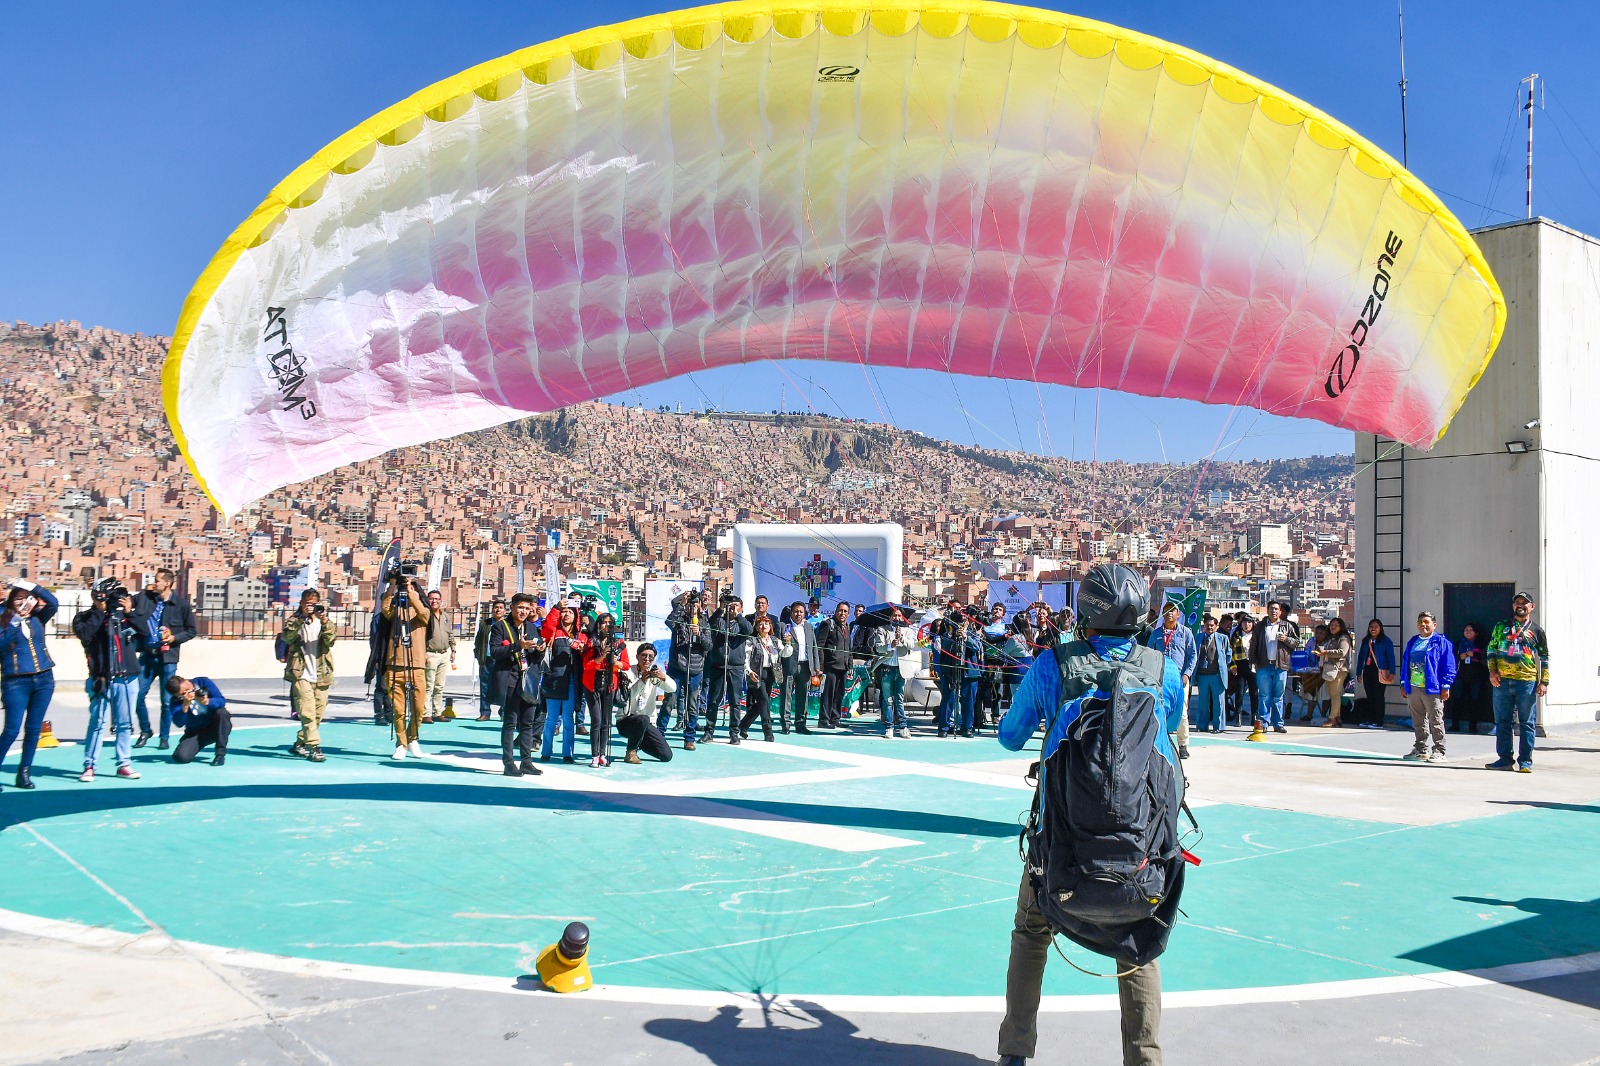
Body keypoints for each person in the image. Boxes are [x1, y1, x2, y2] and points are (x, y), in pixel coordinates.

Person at [995, 563, 1183, 1066]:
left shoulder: (1052, 665)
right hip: (1142, 850)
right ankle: (1145, 1059)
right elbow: (1172, 736)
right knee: (1137, 942)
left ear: (1085, 613)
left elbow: (1010, 736)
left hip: (1059, 846)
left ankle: (1014, 1053)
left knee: (1031, 933)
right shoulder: (1163, 671)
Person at [73, 579, 143, 782]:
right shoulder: (84, 617)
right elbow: (85, 633)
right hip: (101, 678)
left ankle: (124, 763)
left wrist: (130, 612)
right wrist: (100, 610)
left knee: (125, 723)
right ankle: (89, 765)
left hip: (127, 676)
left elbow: (146, 633)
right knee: (97, 723)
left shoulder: (123, 616)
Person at [0, 578, 59, 790]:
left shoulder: (37, 618)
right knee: (11, 729)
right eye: (18, 598)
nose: (22, 602)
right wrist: (15, 620)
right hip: (16, 681)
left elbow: (53, 602)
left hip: (44, 678)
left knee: (33, 729)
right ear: (11, 601)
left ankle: (24, 772)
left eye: (26, 598)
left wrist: (32, 586)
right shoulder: (4, 618)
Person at [131, 568, 197, 750]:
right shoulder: (146, 598)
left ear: (167, 583)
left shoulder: (181, 605)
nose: (155, 582)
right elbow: (129, 603)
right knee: (136, 695)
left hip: (167, 659)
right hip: (147, 656)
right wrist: (144, 592)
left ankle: (164, 737)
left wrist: (174, 638)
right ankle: (145, 731)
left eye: (158, 580)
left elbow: (191, 630)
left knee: (167, 700)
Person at [1485, 591, 1550, 772]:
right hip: (1502, 681)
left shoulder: (1536, 630)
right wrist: (1492, 671)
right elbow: (1491, 650)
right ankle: (1505, 759)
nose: (1520, 605)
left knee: (1527, 722)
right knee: (1502, 721)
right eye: (1517, 602)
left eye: (1525, 603)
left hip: (1526, 682)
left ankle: (1525, 761)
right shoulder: (1501, 626)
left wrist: (1544, 681)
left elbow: (1544, 656)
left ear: (1532, 607)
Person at [280, 588, 335, 763]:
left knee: (318, 714)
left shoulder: (324, 621)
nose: (311, 606)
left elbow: (331, 640)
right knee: (307, 712)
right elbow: (287, 637)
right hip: (301, 672)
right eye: (308, 603)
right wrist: (301, 617)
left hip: (321, 673)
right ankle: (314, 747)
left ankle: (299, 743)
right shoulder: (295, 621)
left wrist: (323, 619)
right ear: (302, 603)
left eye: (314, 603)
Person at [381, 573, 431, 760]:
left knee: (418, 708)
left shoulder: (422, 611)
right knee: (399, 709)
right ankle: (401, 743)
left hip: (416, 666)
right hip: (394, 665)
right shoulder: (396, 610)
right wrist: (393, 585)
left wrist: (411, 590)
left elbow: (424, 612)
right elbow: (385, 608)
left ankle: (413, 738)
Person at [494, 593, 545, 776]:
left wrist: (540, 650)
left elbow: (536, 658)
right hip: (510, 680)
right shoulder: (500, 627)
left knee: (528, 723)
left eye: (527, 608)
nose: (524, 611)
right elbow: (495, 652)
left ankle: (526, 762)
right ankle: (508, 763)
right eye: (521, 607)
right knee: (510, 723)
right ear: (513, 607)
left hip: (528, 681)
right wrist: (518, 646)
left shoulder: (531, 627)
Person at [1399, 611, 1456, 763]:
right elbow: (1406, 663)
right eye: (1420, 622)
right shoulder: (1413, 642)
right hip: (1414, 688)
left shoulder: (1441, 642)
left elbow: (1449, 665)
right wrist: (1403, 683)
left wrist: (1446, 685)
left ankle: (1439, 750)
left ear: (1434, 625)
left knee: (1435, 720)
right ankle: (1420, 749)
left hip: (1433, 688)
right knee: (1418, 721)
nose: (1423, 625)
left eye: (1426, 622)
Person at [1144, 603, 1196, 757]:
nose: (1169, 613)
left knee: (1182, 712)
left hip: (1180, 679)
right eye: (1166, 611)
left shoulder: (1186, 633)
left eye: (1172, 610)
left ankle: (1183, 745)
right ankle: (1160, 741)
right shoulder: (1156, 633)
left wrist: (1186, 674)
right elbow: (1148, 653)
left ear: (1178, 614)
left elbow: (1193, 655)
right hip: (1160, 677)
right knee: (1158, 708)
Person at [1247, 601, 1301, 741]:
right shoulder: (1260, 626)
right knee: (1264, 695)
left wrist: (1286, 639)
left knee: (1278, 695)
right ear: (1267, 611)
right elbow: (1253, 645)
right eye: (1271, 609)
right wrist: (1252, 661)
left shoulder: (1287, 626)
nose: (1274, 611)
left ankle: (1278, 723)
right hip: (1263, 665)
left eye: (1276, 609)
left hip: (1280, 666)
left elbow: (1296, 642)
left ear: (1280, 612)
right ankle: (1264, 723)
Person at [540, 603, 587, 763]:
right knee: (551, 719)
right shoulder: (553, 632)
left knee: (568, 719)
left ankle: (568, 754)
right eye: (564, 612)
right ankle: (546, 752)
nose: (566, 614)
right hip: (553, 681)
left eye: (570, 612)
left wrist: (582, 650)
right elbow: (546, 627)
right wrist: (556, 608)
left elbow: (588, 656)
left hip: (572, 683)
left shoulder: (581, 635)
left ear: (576, 616)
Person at [702, 595, 752, 744]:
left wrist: (738, 615)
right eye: (730, 605)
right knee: (714, 701)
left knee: (735, 702)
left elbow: (748, 630)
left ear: (741, 607)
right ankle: (709, 731)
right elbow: (709, 625)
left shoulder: (743, 622)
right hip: (718, 665)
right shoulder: (720, 621)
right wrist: (721, 609)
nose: (732, 607)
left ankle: (734, 733)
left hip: (736, 667)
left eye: (736, 605)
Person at [582, 612, 629, 767]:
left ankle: (603, 753)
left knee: (606, 722)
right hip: (592, 684)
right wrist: (602, 657)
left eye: (610, 622)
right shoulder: (591, 641)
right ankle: (594, 756)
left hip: (610, 683)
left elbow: (626, 665)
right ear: (598, 625)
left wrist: (616, 663)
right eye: (604, 622)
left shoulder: (618, 642)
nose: (607, 625)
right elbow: (586, 665)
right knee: (596, 720)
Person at [618, 643, 677, 763]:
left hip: (647, 724)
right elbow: (626, 699)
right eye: (644, 655)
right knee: (643, 719)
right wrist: (642, 681)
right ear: (637, 657)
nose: (647, 659)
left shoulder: (654, 674)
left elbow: (673, 688)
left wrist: (663, 677)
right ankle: (631, 751)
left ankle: (639, 742)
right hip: (626, 720)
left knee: (666, 756)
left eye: (651, 656)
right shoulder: (628, 672)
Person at [665, 590, 708, 746]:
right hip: (677, 667)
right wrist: (682, 603)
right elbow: (669, 622)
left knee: (692, 705)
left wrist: (700, 635)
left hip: (695, 669)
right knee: (669, 702)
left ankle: (689, 738)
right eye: (690, 605)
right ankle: (660, 734)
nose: (693, 608)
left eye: (696, 606)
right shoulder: (679, 619)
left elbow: (708, 645)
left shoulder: (703, 622)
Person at [166, 675, 230, 765]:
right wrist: (185, 706)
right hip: (196, 731)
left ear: (185, 681)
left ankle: (220, 754)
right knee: (180, 757)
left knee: (222, 713)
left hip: (215, 725)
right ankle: (192, 744)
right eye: (182, 694)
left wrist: (207, 702)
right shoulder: (176, 700)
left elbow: (221, 701)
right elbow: (179, 723)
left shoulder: (203, 682)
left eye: (186, 690)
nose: (186, 693)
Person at [739, 615, 784, 741]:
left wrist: (789, 644)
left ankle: (743, 725)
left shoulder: (775, 641)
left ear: (770, 627)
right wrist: (749, 671)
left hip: (771, 673)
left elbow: (785, 653)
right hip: (757, 673)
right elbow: (745, 659)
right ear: (756, 627)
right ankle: (768, 731)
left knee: (760, 704)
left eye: (766, 623)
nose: (763, 626)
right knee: (764, 701)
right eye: (760, 624)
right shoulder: (752, 640)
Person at [870, 609, 914, 738]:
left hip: (901, 669)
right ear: (890, 617)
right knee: (887, 700)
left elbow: (911, 645)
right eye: (894, 615)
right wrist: (890, 645)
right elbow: (878, 647)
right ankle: (889, 727)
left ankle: (903, 726)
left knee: (899, 699)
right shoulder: (882, 629)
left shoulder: (908, 630)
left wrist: (902, 639)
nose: (897, 617)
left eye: (899, 615)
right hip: (887, 668)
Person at [780, 601, 820, 734]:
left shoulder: (808, 627)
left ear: (805, 613)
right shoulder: (783, 626)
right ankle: (785, 724)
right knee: (786, 696)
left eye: (801, 612)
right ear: (791, 612)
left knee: (803, 697)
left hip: (805, 666)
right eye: (796, 611)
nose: (798, 614)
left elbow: (814, 647)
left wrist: (816, 667)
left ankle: (801, 724)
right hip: (788, 666)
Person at [815, 602, 853, 729]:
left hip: (843, 667)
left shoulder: (847, 627)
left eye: (845, 611)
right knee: (828, 694)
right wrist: (820, 665)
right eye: (840, 610)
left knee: (839, 694)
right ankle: (824, 719)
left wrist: (850, 665)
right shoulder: (828, 624)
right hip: (830, 666)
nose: (842, 613)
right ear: (836, 611)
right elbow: (820, 645)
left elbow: (849, 648)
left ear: (848, 614)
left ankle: (835, 718)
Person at [1354, 619, 1396, 729]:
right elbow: (1360, 657)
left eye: (1376, 626)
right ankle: (1370, 719)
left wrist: (1392, 672)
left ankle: (1378, 721)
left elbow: (1391, 657)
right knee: (1370, 696)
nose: (1373, 628)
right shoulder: (1366, 641)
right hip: (1367, 670)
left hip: (1380, 671)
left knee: (1378, 696)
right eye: (1371, 626)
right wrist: (1359, 672)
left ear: (1380, 628)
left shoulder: (1385, 641)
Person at [422, 589, 456, 724]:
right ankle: (425, 713)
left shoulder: (445, 616)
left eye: (437, 599)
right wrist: (423, 653)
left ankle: (437, 712)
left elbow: (450, 634)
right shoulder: (425, 616)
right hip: (430, 655)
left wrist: (453, 650)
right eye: (431, 599)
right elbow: (421, 636)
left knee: (439, 686)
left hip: (443, 654)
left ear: (441, 601)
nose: (434, 601)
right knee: (428, 686)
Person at [1193, 614, 1230, 734]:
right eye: (1207, 625)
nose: (1209, 627)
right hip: (1202, 675)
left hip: (1217, 675)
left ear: (1216, 626)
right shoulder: (1198, 637)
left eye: (1212, 625)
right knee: (1202, 702)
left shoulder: (1222, 638)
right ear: (1203, 626)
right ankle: (1202, 725)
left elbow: (1228, 655)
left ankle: (1218, 726)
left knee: (1218, 702)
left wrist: (1223, 666)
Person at [1451, 623, 1490, 734]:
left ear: (1476, 632)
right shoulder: (1459, 643)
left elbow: (1485, 657)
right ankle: (1455, 724)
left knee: (1474, 700)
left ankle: (1472, 726)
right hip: (1461, 675)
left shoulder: (1481, 643)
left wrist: (1474, 655)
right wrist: (1460, 656)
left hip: (1476, 676)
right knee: (1457, 699)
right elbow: (1453, 657)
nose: (1468, 632)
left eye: (1470, 630)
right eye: (1466, 630)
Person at [473, 597, 508, 720]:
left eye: (501, 608)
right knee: (485, 686)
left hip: (502, 660)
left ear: (505, 611)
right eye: (496, 607)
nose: (498, 610)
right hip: (487, 659)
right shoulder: (485, 624)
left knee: (503, 687)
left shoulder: (508, 624)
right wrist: (478, 655)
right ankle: (485, 712)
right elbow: (478, 640)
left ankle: (504, 712)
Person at [1317, 617, 1354, 727]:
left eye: (1336, 625)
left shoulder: (1343, 638)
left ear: (1341, 627)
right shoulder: (1331, 638)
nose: (1333, 627)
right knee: (1332, 693)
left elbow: (1342, 652)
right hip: (1330, 669)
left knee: (1335, 694)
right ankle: (1337, 717)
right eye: (1331, 625)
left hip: (1339, 669)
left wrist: (1326, 652)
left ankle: (1332, 718)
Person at [1228, 616, 1257, 728]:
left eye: (1249, 622)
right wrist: (1233, 666)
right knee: (1239, 693)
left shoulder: (1256, 635)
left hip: (1253, 665)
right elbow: (1230, 652)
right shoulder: (1235, 635)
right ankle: (1237, 717)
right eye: (1245, 622)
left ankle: (1254, 717)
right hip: (1240, 665)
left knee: (1254, 693)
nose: (1247, 625)